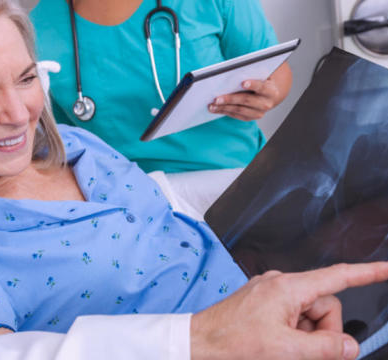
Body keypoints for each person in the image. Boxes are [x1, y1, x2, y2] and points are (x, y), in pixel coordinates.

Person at [0, 0, 388, 358]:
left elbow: (181, 247)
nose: (19, 113)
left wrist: (273, 306)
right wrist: (210, 340)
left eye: (27, 79)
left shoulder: (81, 148)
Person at [29, 0, 293, 217]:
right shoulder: (36, 28)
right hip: (129, 201)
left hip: (233, 180)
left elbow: (277, 72)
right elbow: (56, 144)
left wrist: (269, 94)